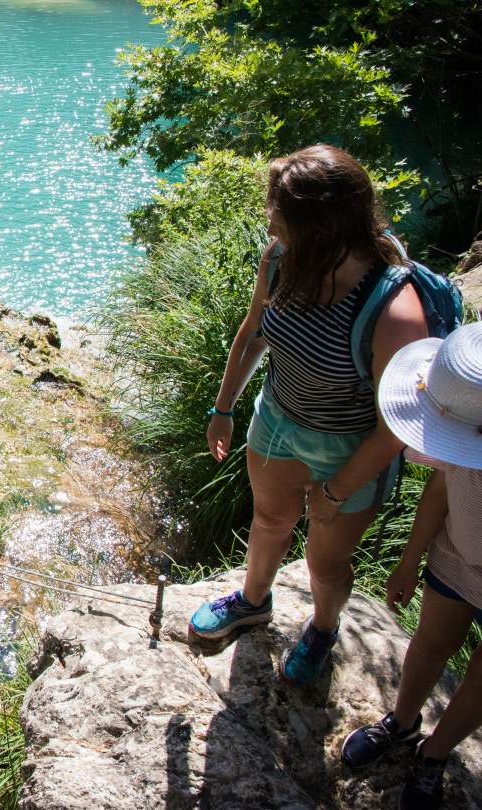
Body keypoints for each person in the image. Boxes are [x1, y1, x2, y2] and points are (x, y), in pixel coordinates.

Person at [188, 144, 427, 686]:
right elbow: (254, 334)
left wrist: (338, 489)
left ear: (315, 222)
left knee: (325, 561)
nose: (267, 214)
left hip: (351, 447)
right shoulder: (281, 258)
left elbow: (397, 425)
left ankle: (322, 629)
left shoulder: (395, 310)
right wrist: (223, 408)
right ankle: (253, 601)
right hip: (277, 418)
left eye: (275, 206)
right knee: (270, 520)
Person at [340, 323, 482, 810]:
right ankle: (401, 722)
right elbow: (441, 489)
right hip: (457, 555)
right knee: (430, 644)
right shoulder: (470, 410)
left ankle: (435, 754)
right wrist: (409, 560)